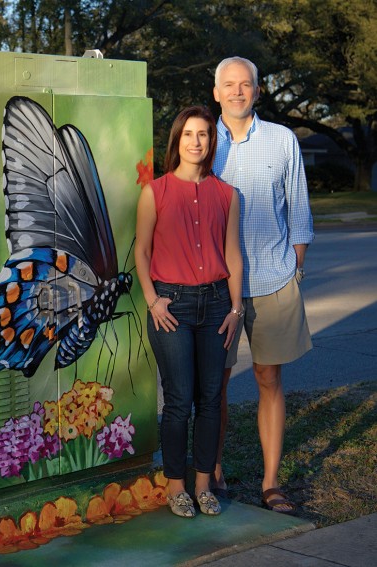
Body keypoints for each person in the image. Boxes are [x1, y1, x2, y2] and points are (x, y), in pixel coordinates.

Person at [210, 56, 314, 514]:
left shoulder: (282, 140)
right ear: (216, 93)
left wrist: (295, 268)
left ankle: (271, 484)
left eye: (245, 84)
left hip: (273, 279)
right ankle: (212, 473)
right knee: (216, 385)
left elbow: (299, 210)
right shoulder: (199, 139)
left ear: (257, 91)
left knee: (269, 377)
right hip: (215, 286)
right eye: (228, 85)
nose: (237, 92)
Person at [135, 106, 243, 518]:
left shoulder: (227, 194)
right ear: (177, 141)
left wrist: (235, 308)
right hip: (172, 307)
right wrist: (152, 300)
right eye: (188, 135)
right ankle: (176, 486)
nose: (196, 142)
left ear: (211, 142)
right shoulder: (155, 192)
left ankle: (204, 485)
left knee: (211, 399)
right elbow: (141, 252)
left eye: (203, 135)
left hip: (217, 305)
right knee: (179, 399)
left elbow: (232, 253)